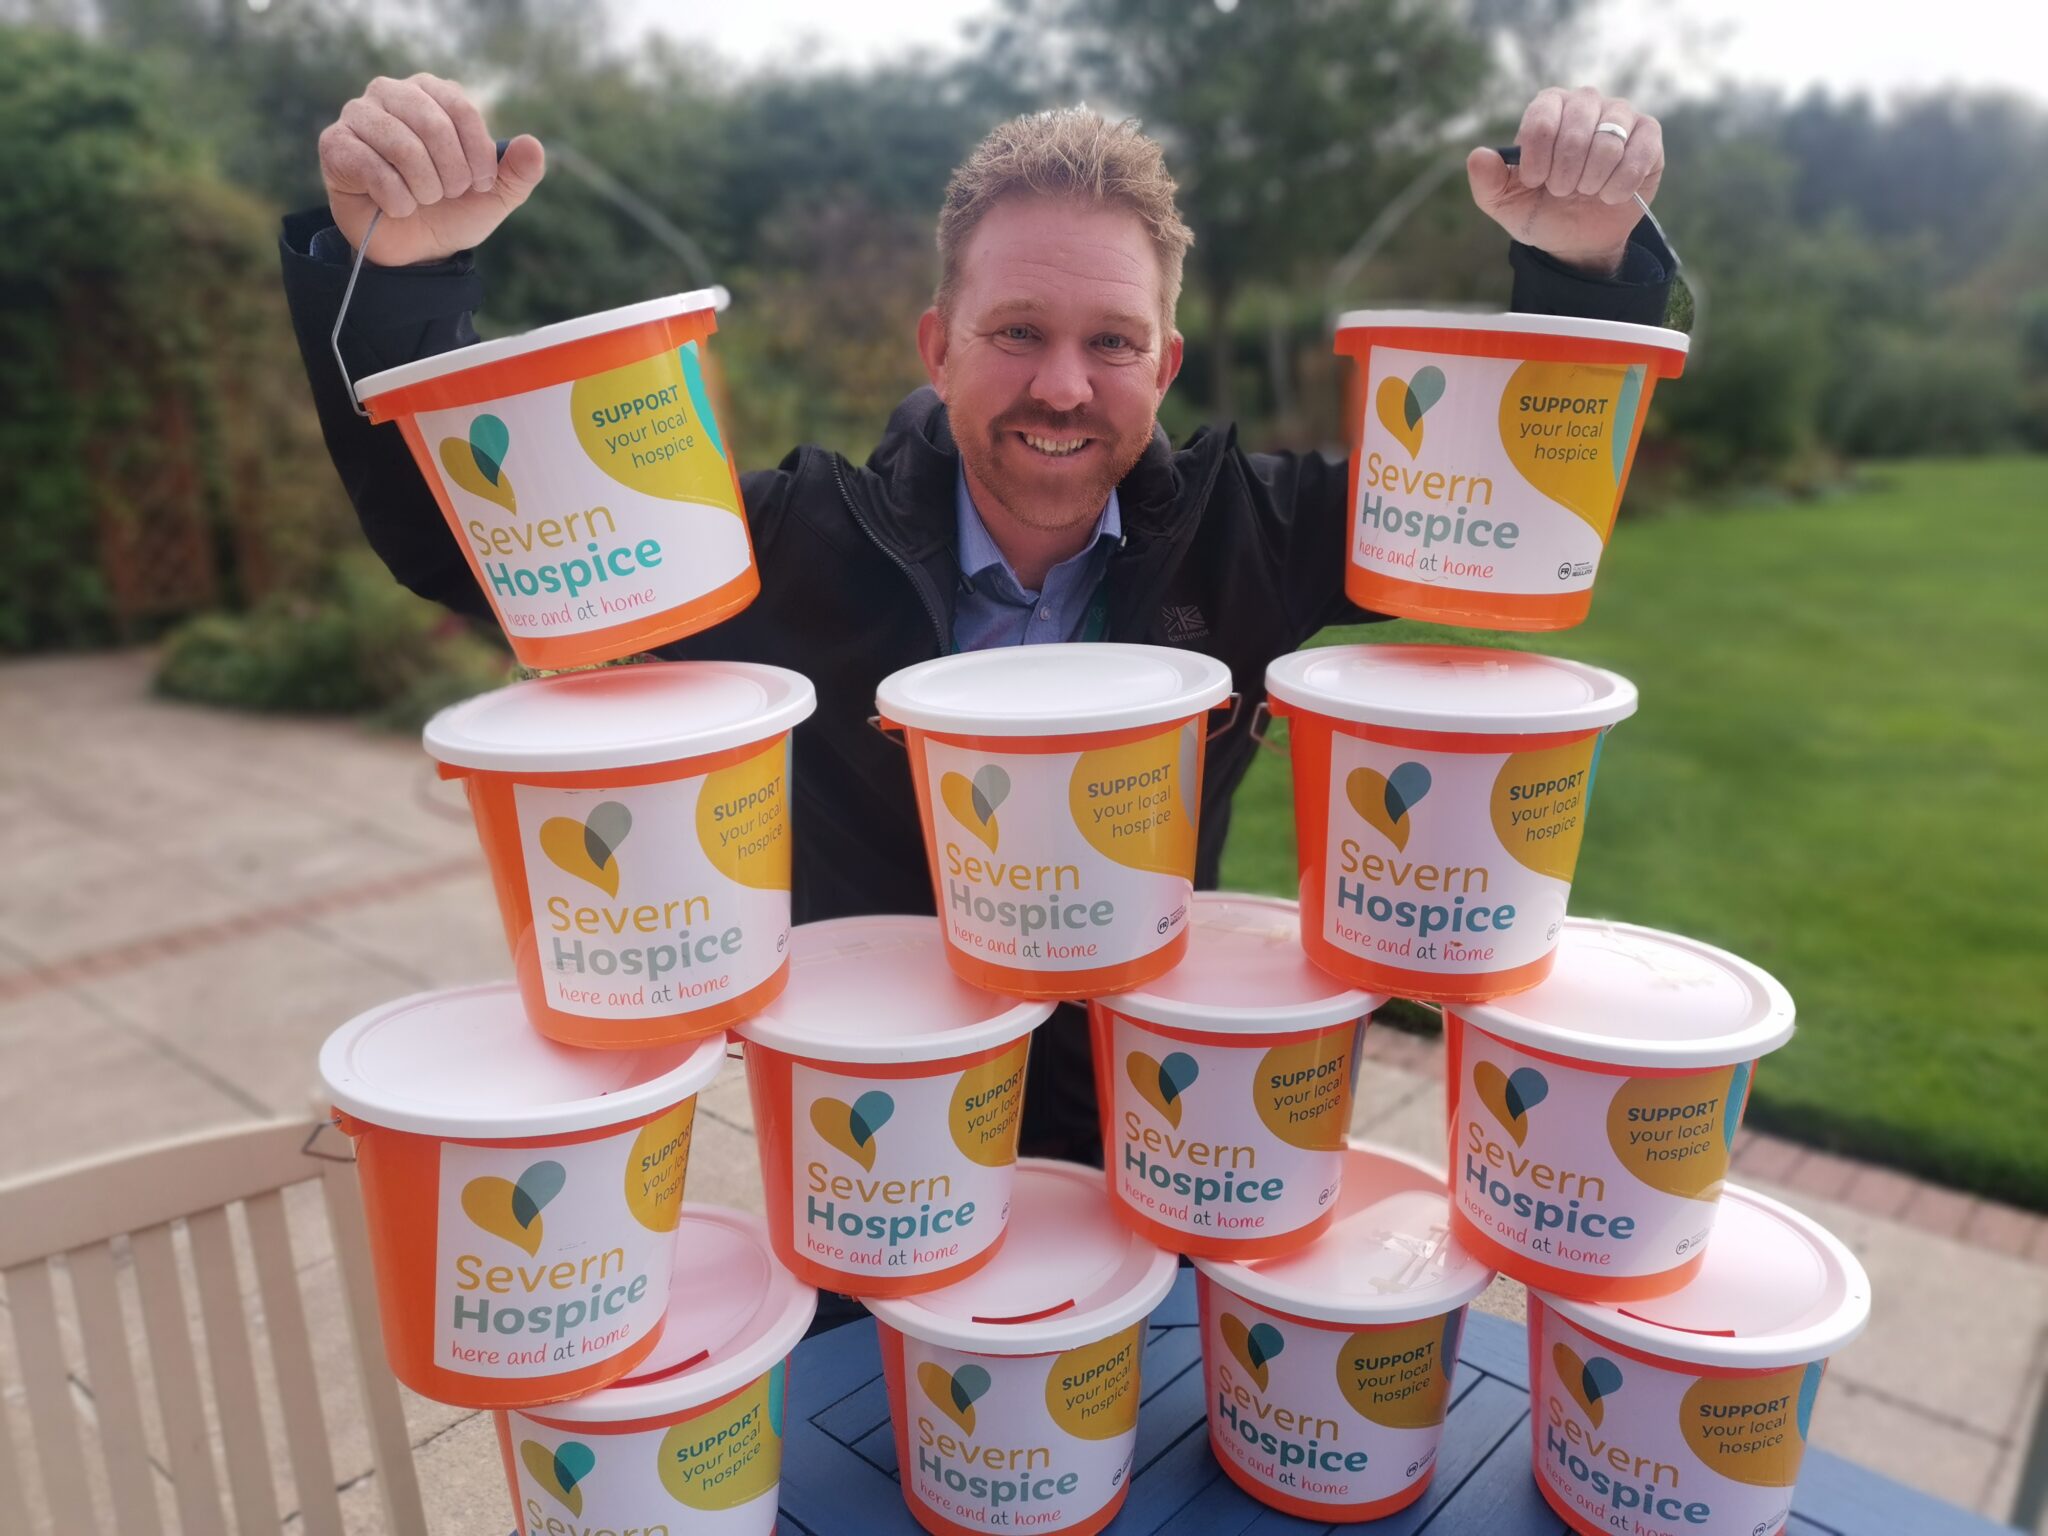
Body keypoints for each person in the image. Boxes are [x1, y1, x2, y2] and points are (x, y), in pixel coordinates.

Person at [281, 76, 1673, 1165]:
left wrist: (1582, 272)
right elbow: (476, 552)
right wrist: (402, 283)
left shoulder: (1256, 531)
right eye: (1017, 333)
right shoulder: (783, 548)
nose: (1065, 385)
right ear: (935, 344)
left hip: (1166, 1113)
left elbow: (1514, 516)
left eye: (1111, 342)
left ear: (1163, 361)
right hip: (872, 1123)